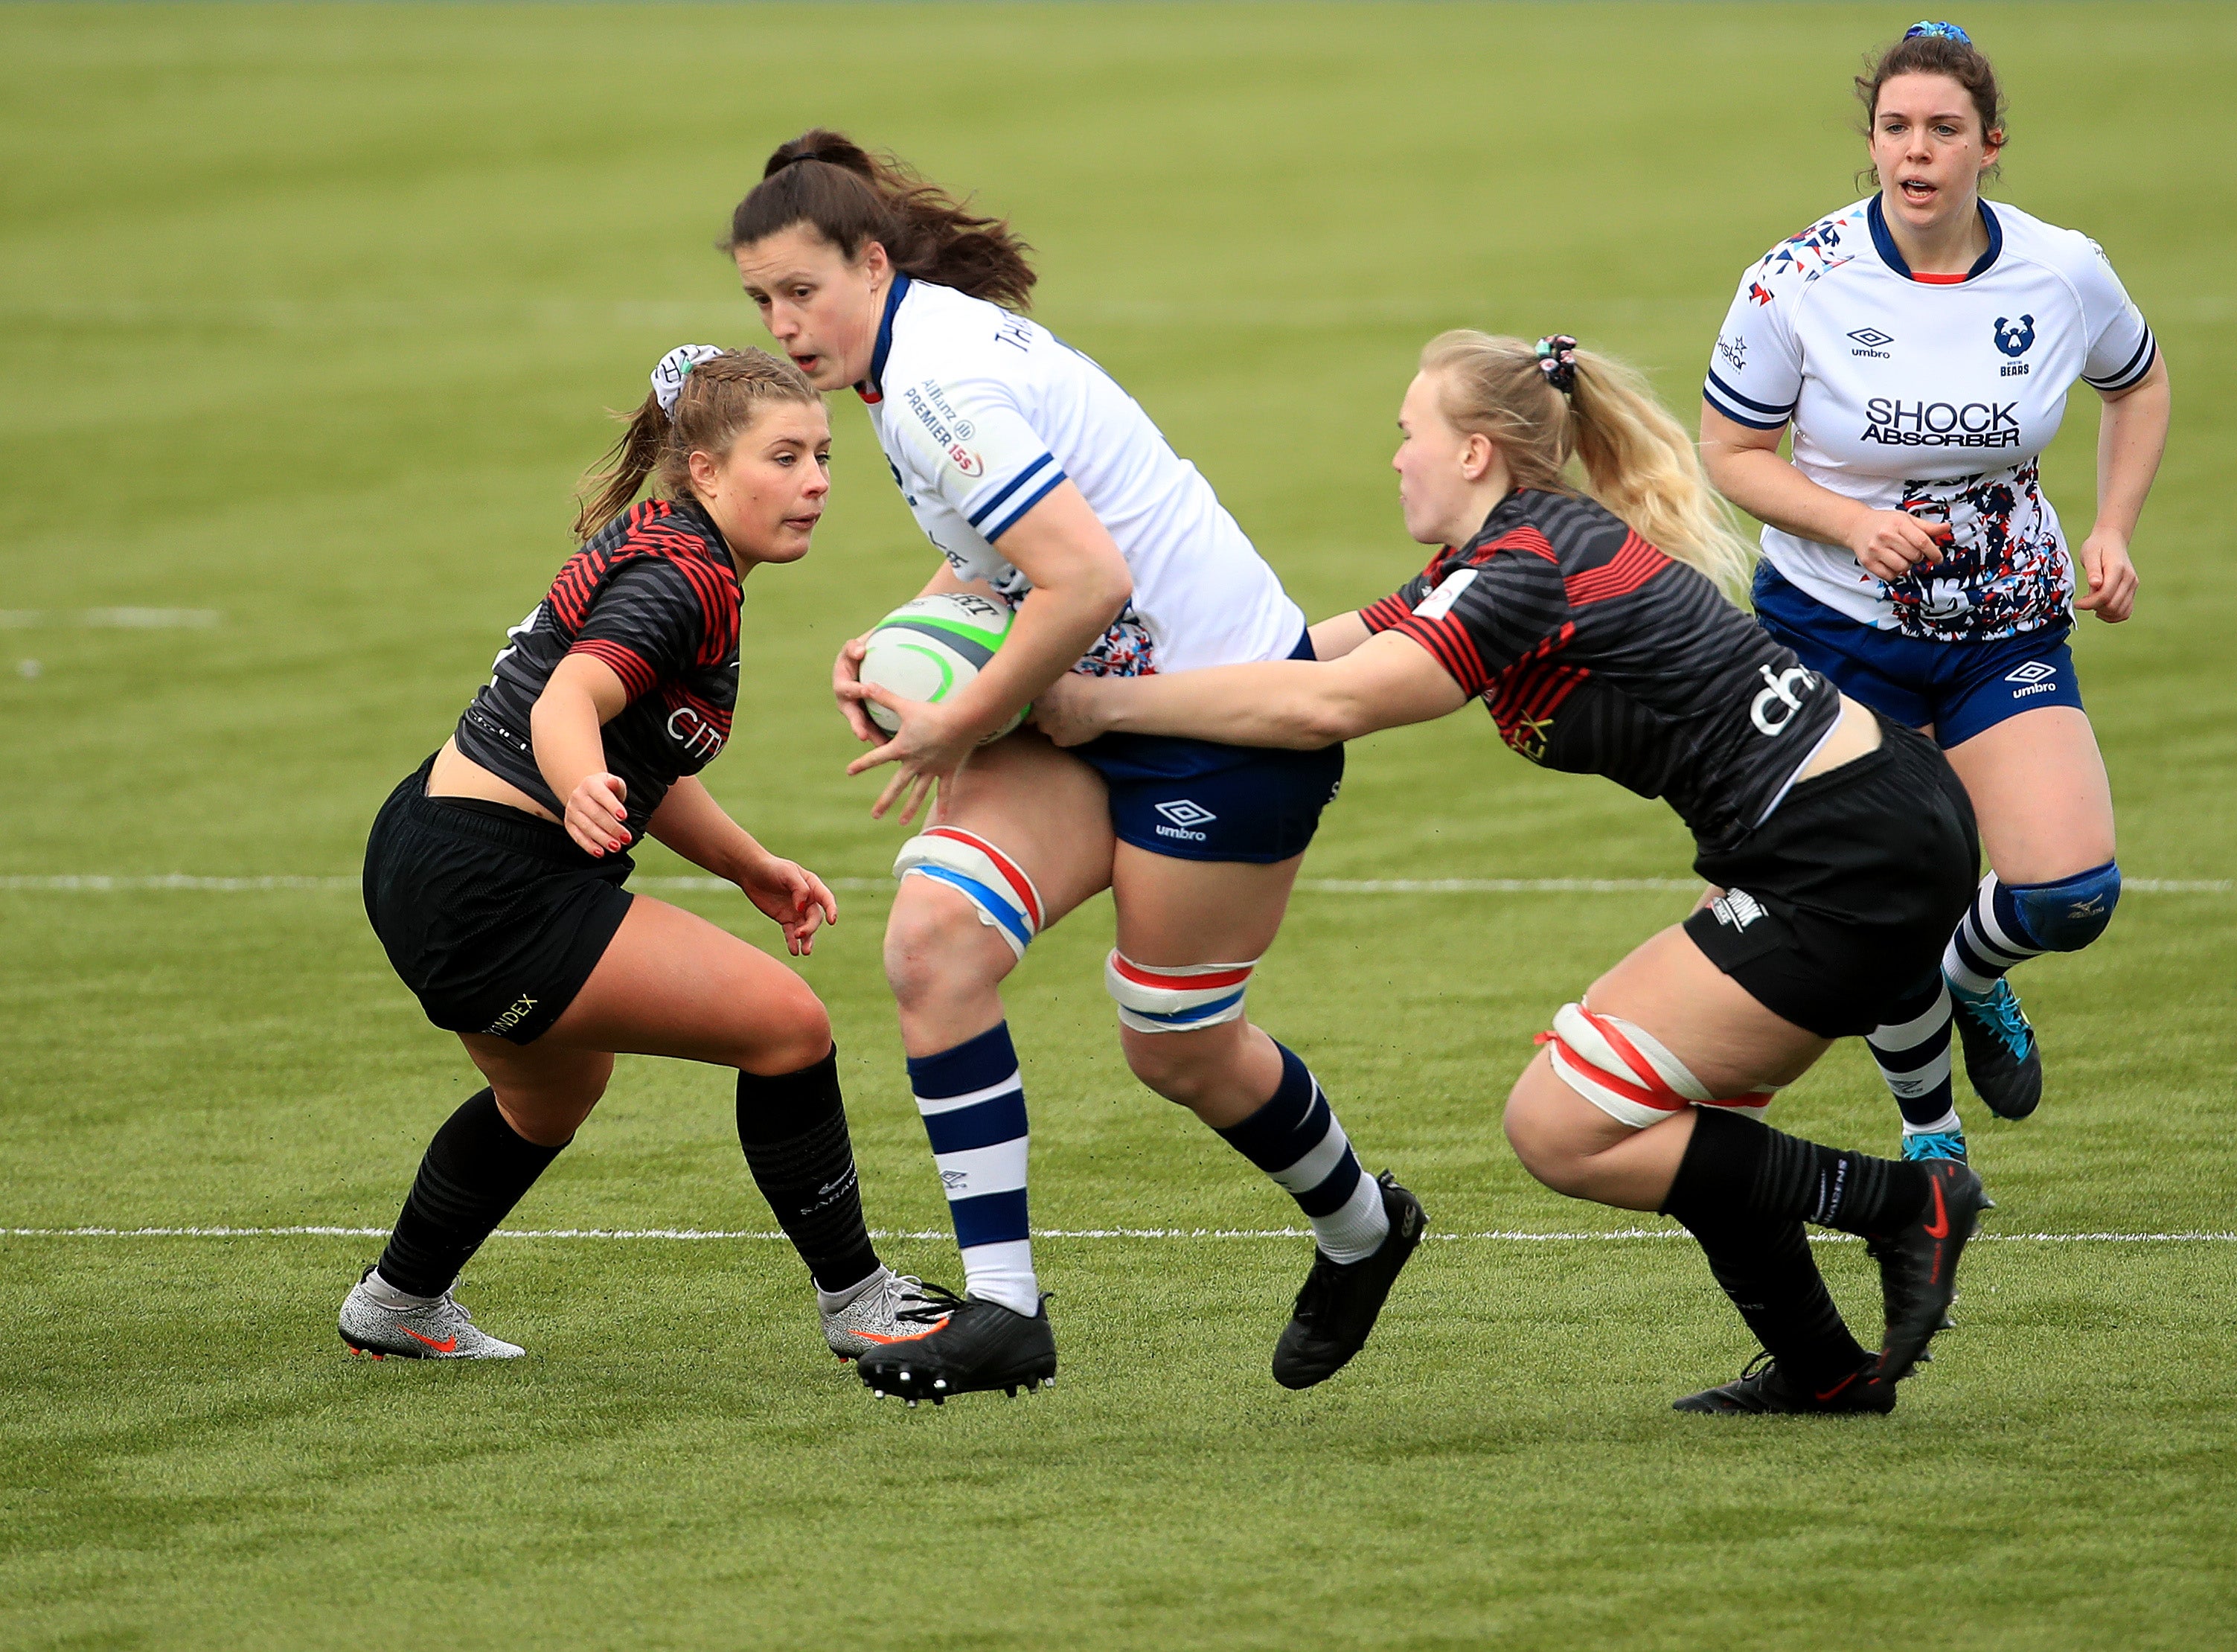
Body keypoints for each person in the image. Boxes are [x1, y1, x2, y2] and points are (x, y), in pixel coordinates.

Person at [1034, 330, 1989, 1415]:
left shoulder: (1526, 565)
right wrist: (1045, 672)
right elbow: (1300, 658)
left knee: (1563, 1125)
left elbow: (1322, 709)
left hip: (1845, 852)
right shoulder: (1492, 562)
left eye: (1409, 434)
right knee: (1687, 1117)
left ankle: (1901, 1203)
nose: (1395, 457)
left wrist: (1097, 708)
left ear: (1477, 453)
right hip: (1843, 833)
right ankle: (1822, 1372)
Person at [726, 132, 1424, 1404]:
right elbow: (1012, 550)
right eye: (761, 300)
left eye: (801, 292)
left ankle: (1364, 1226)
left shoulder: (939, 382)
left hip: (1226, 723)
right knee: (931, 946)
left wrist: (955, 718)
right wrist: (904, 638)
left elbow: (1088, 577)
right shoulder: (911, 358)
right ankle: (1005, 1310)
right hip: (1089, 706)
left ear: (871, 263)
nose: (783, 324)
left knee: (1175, 1044)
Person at [339, 345, 933, 1365]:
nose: (816, 482)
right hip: (493, 884)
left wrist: (747, 864)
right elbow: (573, 698)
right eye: (784, 457)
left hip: (431, 845)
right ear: (705, 469)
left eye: (824, 456)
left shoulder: (674, 546)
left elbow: (641, 750)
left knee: (550, 1094)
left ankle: (396, 1303)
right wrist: (577, 784)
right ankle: (861, 1303)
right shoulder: (681, 578)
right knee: (787, 1027)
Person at [1699, 21, 2171, 1162]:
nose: (1915, 152)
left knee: (2069, 895)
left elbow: (2138, 385)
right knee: (1881, 901)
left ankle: (1973, 980)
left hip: (2003, 620)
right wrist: (1852, 522)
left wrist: (2110, 528)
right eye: (1894, 129)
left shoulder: (2060, 269)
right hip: (1832, 631)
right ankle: (1932, 1140)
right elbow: (1728, 452)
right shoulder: (1797, 280)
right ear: (1871, 143)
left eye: (1942, 130)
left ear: (1988, 145)